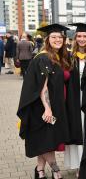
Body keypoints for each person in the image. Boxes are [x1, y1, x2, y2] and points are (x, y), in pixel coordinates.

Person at [17, 24, 72, 179]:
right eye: (53, 37)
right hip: (42, 107)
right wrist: (47, 108)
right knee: (47, 141)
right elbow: (44, 86)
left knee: (44, 140)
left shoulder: (55, 57)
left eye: (59, 37)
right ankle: (56, 170)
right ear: (48, 39)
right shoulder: (44, 57)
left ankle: (40, 171)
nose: (57, 40)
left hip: (51, 106)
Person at [63, 23, 86, 176]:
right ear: (75, 38)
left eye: (85, 36)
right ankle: (78, 165)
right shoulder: (69, 57)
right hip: (74, 98)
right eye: (79, 36)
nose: (82, 39)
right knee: (77, 129)